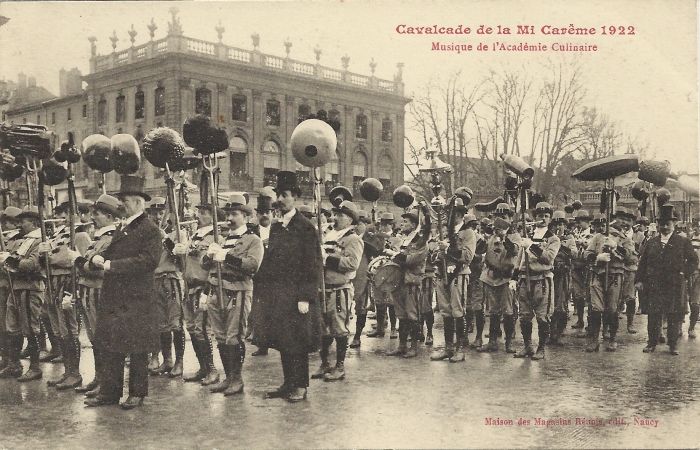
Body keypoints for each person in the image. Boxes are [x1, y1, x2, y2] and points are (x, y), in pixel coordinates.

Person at [85, 175, 162, 409]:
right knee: (111, 344)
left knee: (138, 347)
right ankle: (110, 392)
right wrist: (100, 258)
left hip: (137, 297)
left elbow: (148, 262)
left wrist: (110, 266)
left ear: (139, 202)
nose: (122, 205)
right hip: (115, 295)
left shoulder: (150, 230)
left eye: (126, 200)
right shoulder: (123, 227)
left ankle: (137, 393)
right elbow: (113, 252)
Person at [254, 171, 322, 403]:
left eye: (284, 195)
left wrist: (305, 297)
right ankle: (288, 382)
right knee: (284, 340)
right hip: (278, 295)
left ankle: (301, 385)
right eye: (278, 195)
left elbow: (312, 265)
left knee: (298, 341)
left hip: (296, 296)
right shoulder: (276, 227)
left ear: (294, 197)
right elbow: (271, 260)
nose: (280, 199)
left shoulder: (305, 228)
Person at [204, 194, 263, 396]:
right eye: (228, 214)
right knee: (220, 337)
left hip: (237, 292)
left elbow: (252, 266)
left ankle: (237, 379)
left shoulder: (253, 240)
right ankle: (228, 377)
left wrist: (226, 258)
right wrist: (208, 255)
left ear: (245, 216)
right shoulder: (222, 239)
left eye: (235, 214)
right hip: (216, 291)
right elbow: (207, 266)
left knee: (233, 338)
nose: (230, 218)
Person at [73, 194, 121, 398]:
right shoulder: (99, 238)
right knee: (94, 337)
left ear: (109, 216)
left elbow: (100, 270)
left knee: (103, 338)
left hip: (100, 291)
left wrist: (79, 262)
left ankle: (106, 382)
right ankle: (99, 377)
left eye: (98, 214)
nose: (93, 217)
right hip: (88, 290)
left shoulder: (111, 239)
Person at [41, 201, 91, 390]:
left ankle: (75, 374)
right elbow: (46, 261)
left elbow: (80, 264)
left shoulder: (80, 235)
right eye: (61, 213)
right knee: (59, 330)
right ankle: (68, 371)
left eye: (67, 213)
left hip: (67, 284)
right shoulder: (59, 235)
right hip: (53, 284)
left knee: (70, 330)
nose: (63, 217)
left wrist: (72, 291)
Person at [636, 204, 698, 355]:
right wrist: (639, 280)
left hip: (675, 283)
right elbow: (643, 263)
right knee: (653, 314)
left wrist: (684, 273)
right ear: (657, 224)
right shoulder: (651, 242)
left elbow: (693, 260)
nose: (664, 227)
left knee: (674, 314)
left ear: (674, 224)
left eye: (667, 224)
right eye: (661, 224)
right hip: (654, 284)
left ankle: (673, 344)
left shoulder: (682, 242)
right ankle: (651, 343)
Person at [173, 203, 223, 386]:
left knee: (203, 329)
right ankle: (202, 367)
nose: (199, 215)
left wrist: (208, 290)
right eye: (199, 212)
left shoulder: (215, 237)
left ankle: (212, 369)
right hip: (190, 286)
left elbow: (214, 266)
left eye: (204, 213)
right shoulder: (195, 236)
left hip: (203, 287)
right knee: (192, 328)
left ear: (213, 216)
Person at [313, 200, 363, 381]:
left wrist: (327, 259)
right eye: (334, 214)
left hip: (339, 290)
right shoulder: (327, 235)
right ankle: (324, 363)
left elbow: (351, 264)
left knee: (339, 328)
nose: (334, 218)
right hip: (322, 288)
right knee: (323, 328)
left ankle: (340, 366)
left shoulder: (353, 239)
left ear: (350, 219)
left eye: (340, 215)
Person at [0, 206, 47, 381]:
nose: (20, 224)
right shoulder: (24, 241)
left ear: (34, 223)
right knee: (12, 326)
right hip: (16, 287)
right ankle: (14, 365)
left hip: (30, 287)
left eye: (24, 221)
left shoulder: (40, 241)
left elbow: (31, 265)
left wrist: (9, 260)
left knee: (30, 328)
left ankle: (35, 367)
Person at [583, 210, 635, 352]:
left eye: (626, 219)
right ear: (613, 219)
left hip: (615, 276)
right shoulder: (599, 236)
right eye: (621, 219)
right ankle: (594, 340)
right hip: (598, 275)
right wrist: (597, 257)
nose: (624, 222)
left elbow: (631, 257)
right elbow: (586, 253)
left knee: (612, 309)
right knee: (596, 308)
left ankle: (612, 339)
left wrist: (616, 247)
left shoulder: (626, 239)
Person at [431, 198, 475, 362]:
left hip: (458, 274)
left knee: (458, 311)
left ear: (460, 214)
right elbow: (437, 254)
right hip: (442, 274)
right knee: (445, 311)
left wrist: (448, 248)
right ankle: (448, 347)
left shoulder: (468, 233)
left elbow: (468, 257)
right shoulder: (444, 232)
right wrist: (438, 254)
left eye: (454, 213)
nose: (451, 216)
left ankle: (460, 349)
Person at [514, 202, 560, 361]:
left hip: (542, 280)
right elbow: (519, 258)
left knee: (542, 316)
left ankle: (541, 348)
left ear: (550, 219)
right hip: (525, 279)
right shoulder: (528, 235)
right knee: (525, 316)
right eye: (540, 216)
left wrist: (532, 246)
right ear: (535, 217)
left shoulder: (553, 239)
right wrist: (515, 278)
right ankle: (527, 346)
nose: (543, 219)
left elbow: (548, 258)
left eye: (547, 216)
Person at [147, 197, 187, 378]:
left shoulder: (177, 232)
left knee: (176, 322)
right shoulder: (148, 234)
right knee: (160, 324)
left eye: (161, 213)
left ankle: (179, 362)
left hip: (171, 279)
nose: (157, 217)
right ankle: (167, 360)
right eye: (154, 213)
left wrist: (166, 239)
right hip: (155, 280)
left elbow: (180, 258)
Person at [384, 207, 429, 358]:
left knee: (412, 314)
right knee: (401, 314)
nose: (402, 224)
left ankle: (414, 347)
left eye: (405, 222)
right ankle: (402, 345)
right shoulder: (402, 239)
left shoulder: (420, 242)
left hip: (411, 282)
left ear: (414, 225)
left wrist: (395, 254)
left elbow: (411, 260)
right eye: (402, 221)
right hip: (399, 281)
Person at [478, 205, 521, 353]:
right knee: (493, 311)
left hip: (506, 277)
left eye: (504, 218)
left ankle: (508, 342)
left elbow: (514, 251)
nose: (500, 221)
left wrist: (504, 237)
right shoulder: (491, 235)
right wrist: (484, 237)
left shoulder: (515, 236)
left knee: (508, 311)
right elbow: (480, 251)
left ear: (510, 219)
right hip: (491, 277)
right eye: (498, 218)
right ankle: (492, 341)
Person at [349, 210, 380, 349]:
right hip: (348, 274)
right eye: (355, 224)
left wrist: (370, 237)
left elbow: (378, 249)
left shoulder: (370, 239)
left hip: (362, 275)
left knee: (361, 307)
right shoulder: (348, 236)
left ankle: (357, 336)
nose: (356, 226)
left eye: (360, 224)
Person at [250, 191, 275, 357]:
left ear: (272, 214)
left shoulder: (279, 231)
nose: (264, 216)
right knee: (259, 312)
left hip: (275, 278)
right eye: (261, 213)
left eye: (267, 212)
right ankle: (262, 345)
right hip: (257, 278)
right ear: (257, 215)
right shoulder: (251, 231)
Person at [367, 212, 399, 339]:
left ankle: (393, 329)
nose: (384, 227)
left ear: (391, 225)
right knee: (379, 301)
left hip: (390, 273)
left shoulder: (396, 238)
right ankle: (380, 329)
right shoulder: (377, 237)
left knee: (391, 302)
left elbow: (397, 253)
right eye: (382, 224)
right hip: (377, 272)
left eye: (387, 224)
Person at [0, 207, 23, 374]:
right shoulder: (5, 239)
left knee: (12, 326)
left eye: (6, 221)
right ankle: (6, 358)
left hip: (10, 287)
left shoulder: (20, 241)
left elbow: (14, 266)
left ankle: (15, 362)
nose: (4, 225)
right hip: (2, 286)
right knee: (2, 326)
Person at [549, 210, 575, 346]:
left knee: (561, 305)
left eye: (561, 224)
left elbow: (575, 254)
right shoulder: (547, 238)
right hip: (550, 274)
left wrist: (562, 245)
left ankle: (558, 333)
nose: (558, 227)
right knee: (549, 305)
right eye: (556, 224)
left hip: (563, 276)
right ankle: (551, 333)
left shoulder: (570, 240)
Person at [570, 209, 593, 333]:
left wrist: (583, 243)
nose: (579, 224)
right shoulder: (574, 233)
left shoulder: (592, 234)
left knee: (589, 296)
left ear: (588, 222)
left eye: (581, 221)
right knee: (578, 296)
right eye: (578, 221)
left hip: (588, 267)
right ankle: (580, 320)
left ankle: (590, 323)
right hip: (577, 266)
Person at [688, 216, 700, 338]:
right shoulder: (689, 240)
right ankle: (679, 326)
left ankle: (691, 327)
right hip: (689, 272)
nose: (697, 229)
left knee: (695, 302)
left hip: (698, 274)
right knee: (681, 301)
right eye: (695, 226)